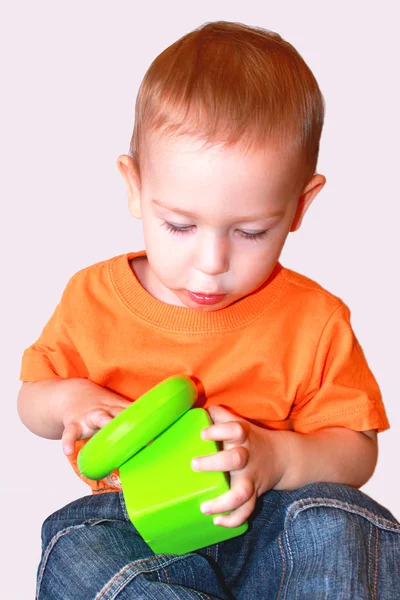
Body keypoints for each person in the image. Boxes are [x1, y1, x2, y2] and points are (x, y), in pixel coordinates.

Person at [17, 20, 400, 600]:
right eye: (179, 225)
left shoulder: (315, 319)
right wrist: (69, 401)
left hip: (275, 527)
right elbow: (31, 400)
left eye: (250, 232)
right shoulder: (93, 297)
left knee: (338, 520)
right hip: (136, 525)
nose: (212, 262)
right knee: (77, 543)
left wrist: (276, 456)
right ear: (134, 186)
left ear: (300, 206)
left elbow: (356, 451)